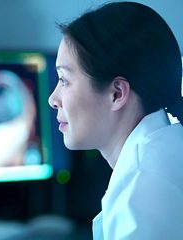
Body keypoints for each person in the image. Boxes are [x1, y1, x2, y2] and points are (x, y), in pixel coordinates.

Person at [48, 2, 183, 239]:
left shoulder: (144, 187)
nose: (53, 99)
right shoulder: (167, 148)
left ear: (117, 94)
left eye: (64, 80)